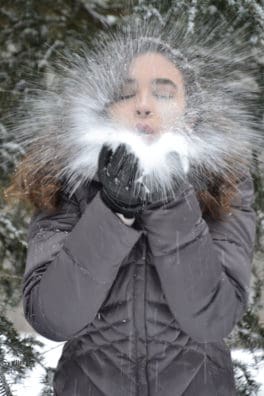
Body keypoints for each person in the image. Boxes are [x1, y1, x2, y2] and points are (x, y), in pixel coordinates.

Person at [5, 28, 257, 396]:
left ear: (191, 111)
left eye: (164, 92)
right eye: (125, 92)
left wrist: (169, 196)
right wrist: (112, 211)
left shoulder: (223, 182)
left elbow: (213, 318)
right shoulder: (66, 180)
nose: (144, 104)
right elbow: (55, 318)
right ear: (104, 108)